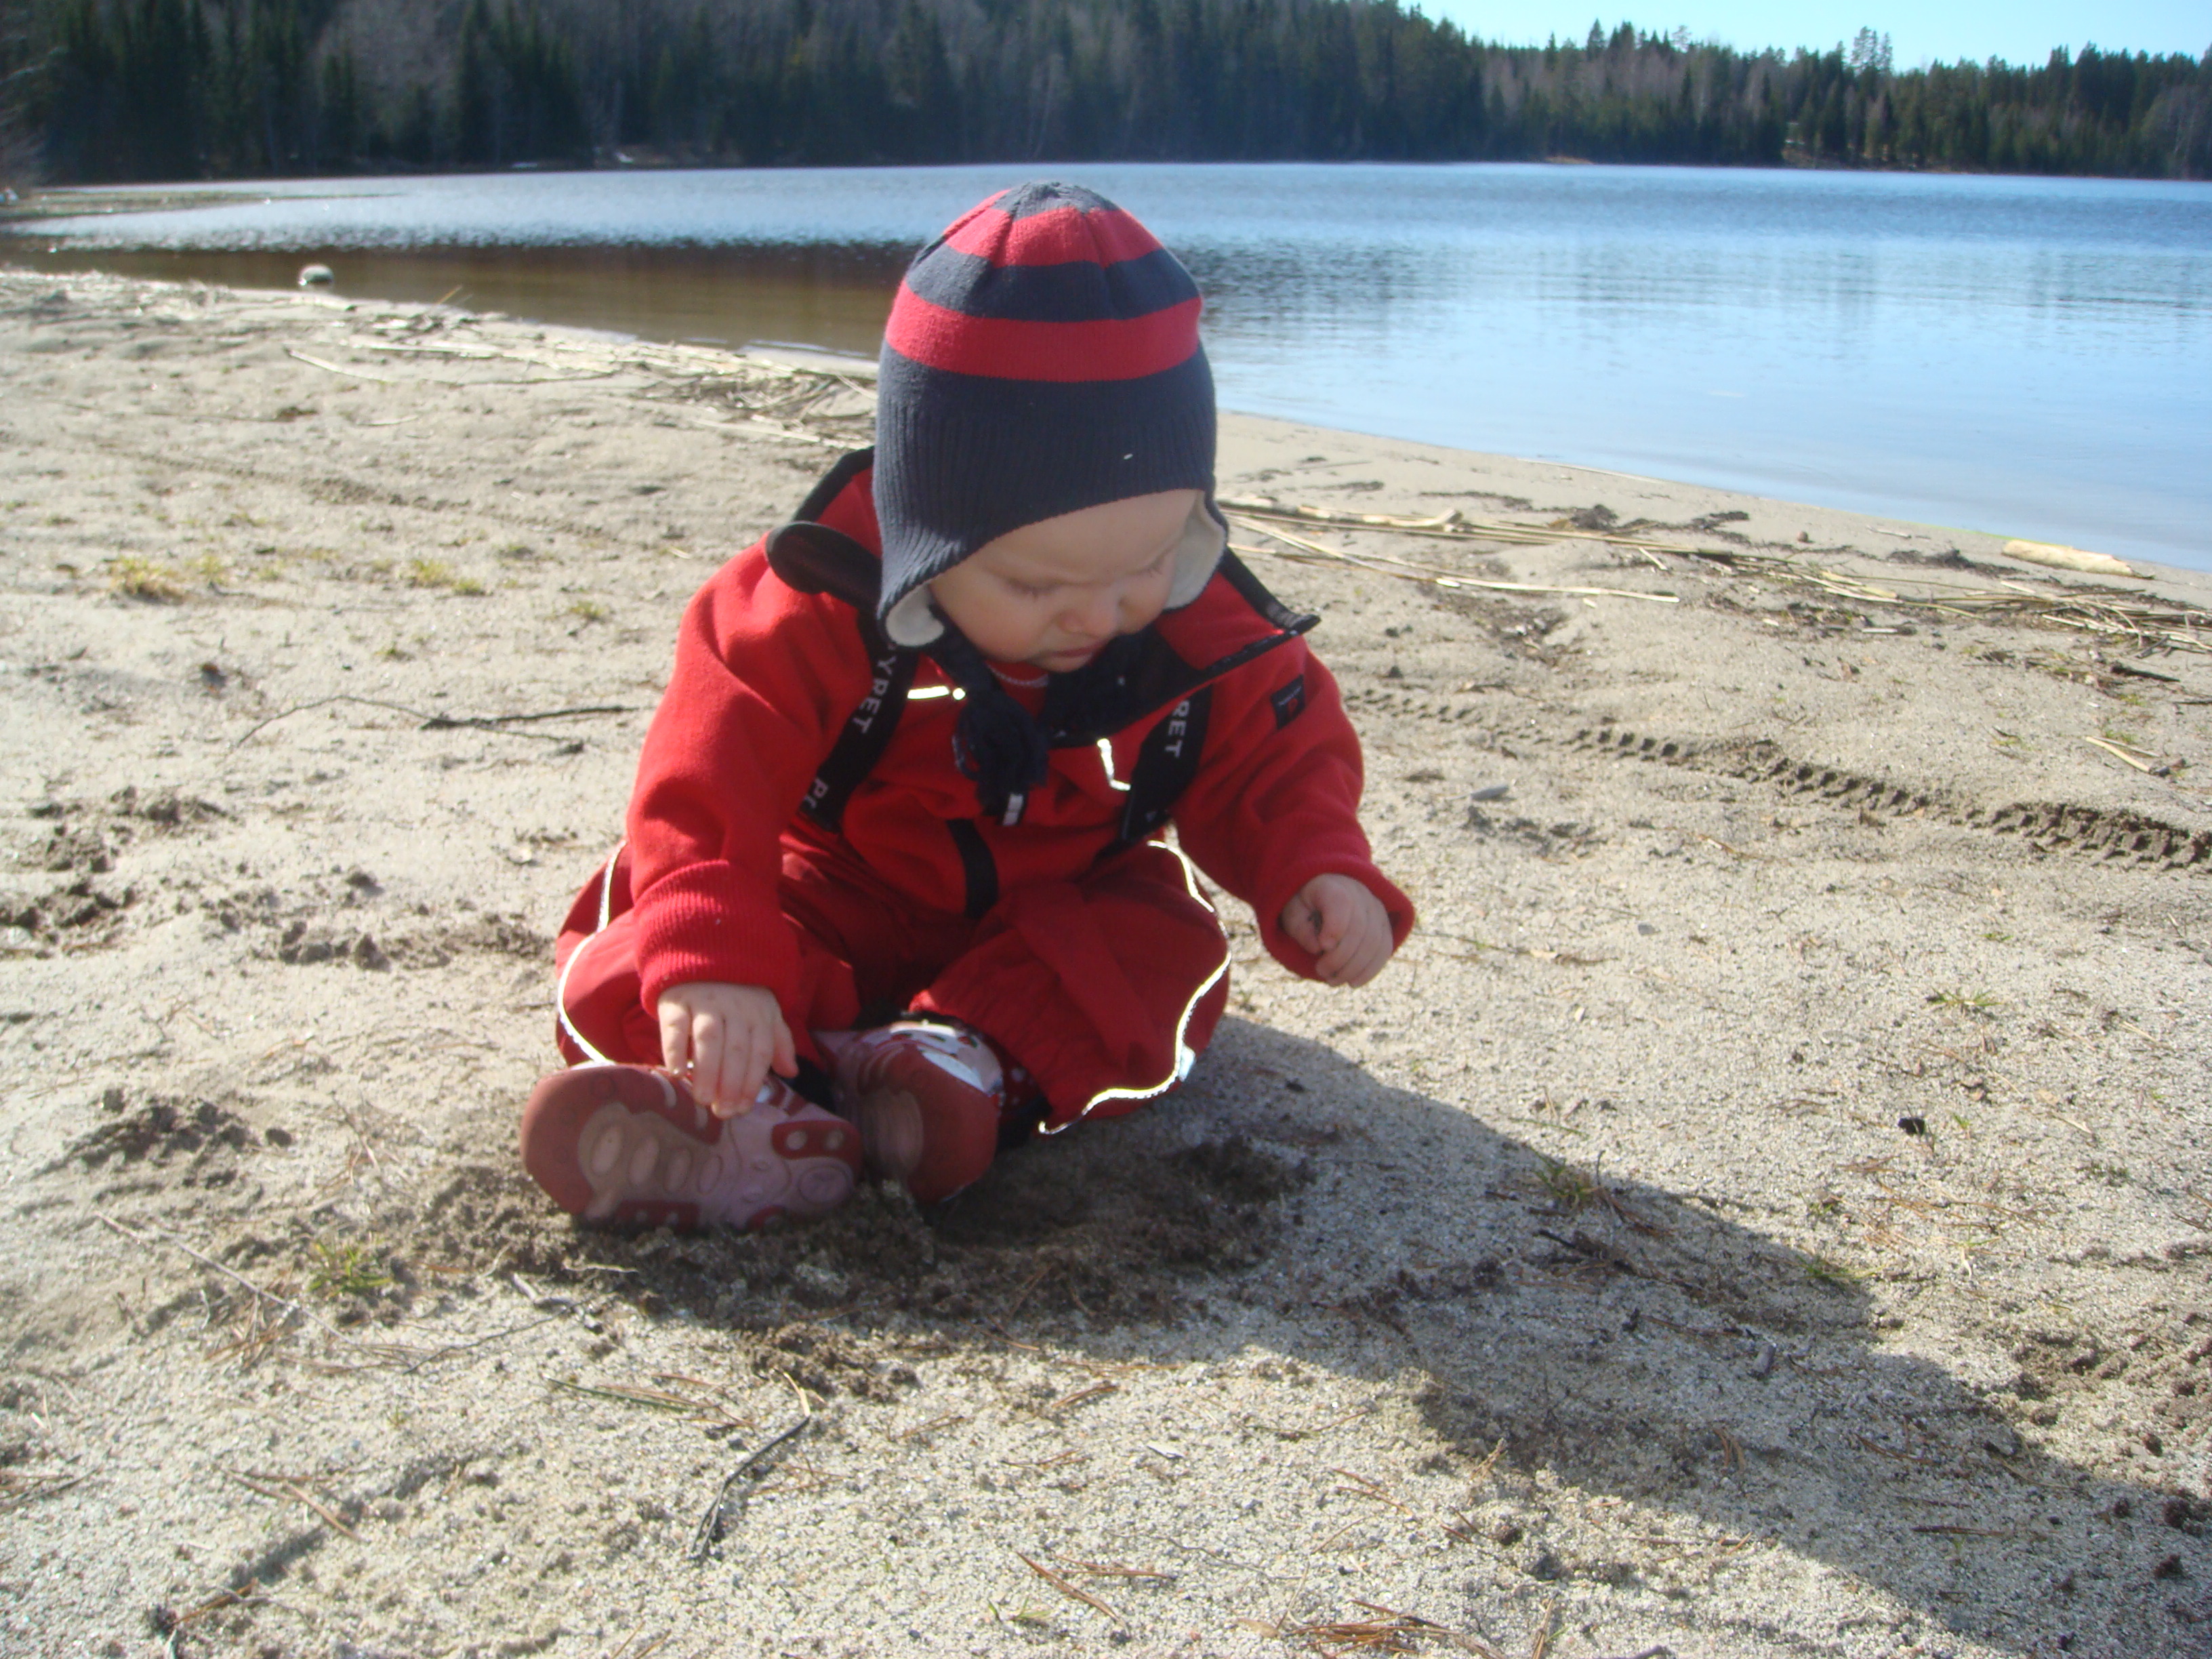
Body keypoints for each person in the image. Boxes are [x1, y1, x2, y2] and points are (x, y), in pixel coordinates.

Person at [518, 181, 1413, 1231]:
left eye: (1148, 564)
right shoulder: (819, 599)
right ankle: (741, 1097)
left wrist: (1315, 865)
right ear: (925, 539)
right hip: (835, 888)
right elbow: (710, 768)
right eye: (1035, 585)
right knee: (648, 925)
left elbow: (1276, 756)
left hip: (1061, 908)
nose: (1100, 614)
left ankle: (954, 1067)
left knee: (1169, 947)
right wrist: (714, 962)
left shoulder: (1194, 624)